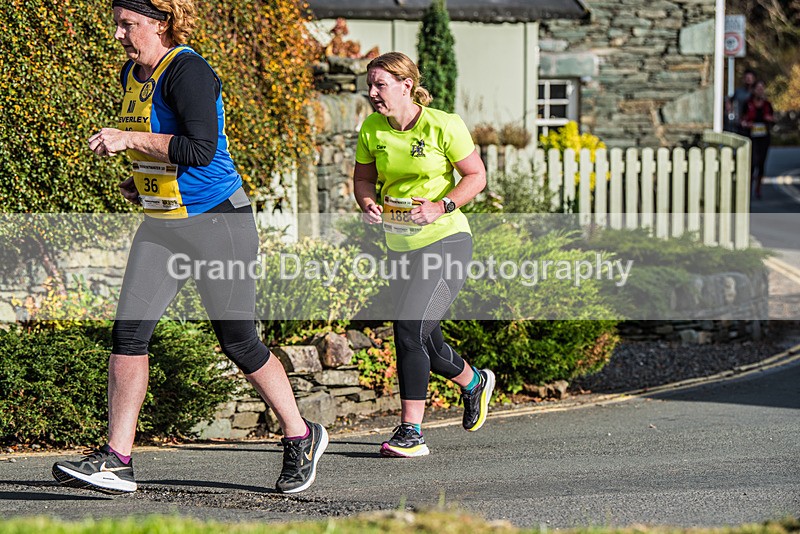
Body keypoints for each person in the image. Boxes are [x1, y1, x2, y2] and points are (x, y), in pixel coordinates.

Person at [51, 0, 327, 495]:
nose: (118, 34)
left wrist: (128, 138)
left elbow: (199, 149)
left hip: (218, 222)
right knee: (128, 334)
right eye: (116, 23)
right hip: (163, 223)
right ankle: (117, 458)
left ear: (160, 23)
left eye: (127, 24)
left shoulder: (190, 72)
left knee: (238, 340)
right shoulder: (131, 75)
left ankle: (300, 434)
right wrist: (144, 181)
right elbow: (163, 146)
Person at [352, 52, 494, 458]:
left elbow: (476, 176)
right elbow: (364, 178)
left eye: (381, 85)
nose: (373, 93)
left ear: (406, 86)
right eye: (371, 85)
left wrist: (441, 206)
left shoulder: (443, 125)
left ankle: (410, 431)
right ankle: (473, 383)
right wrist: (367, 202)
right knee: (426, 341)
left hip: (446, 242)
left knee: (408, 328)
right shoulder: (372, 128)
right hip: (400, 247)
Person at [740, 80, 775, 200]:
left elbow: (773, 119)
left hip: (764, 137)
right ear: (754, 90)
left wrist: (769, 119)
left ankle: (758, 188)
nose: (760, 90)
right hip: (751, 137)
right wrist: (746, 124)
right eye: (758, 88)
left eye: (762, 88)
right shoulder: (748, 104)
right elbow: (742, 120)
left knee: (761, 163)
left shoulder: (767, 105)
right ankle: (748, 188)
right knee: (752, 162)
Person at [729, 69, 757, 134]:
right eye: (747, 78)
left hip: (753, 124)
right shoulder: (738, 92)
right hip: (740, 122)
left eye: (750, 78)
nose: (748, 80)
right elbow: (730, 101)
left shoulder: (756, 92)